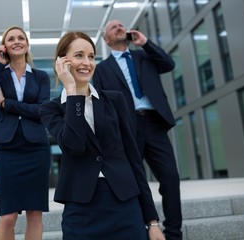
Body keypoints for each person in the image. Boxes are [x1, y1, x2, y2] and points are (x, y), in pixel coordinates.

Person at [39, 31, 165, 240]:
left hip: (125, 205)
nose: (87, 62)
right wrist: (72, 91)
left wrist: (152, 221)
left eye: (91, 56)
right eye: (79, 55)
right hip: (81, 210)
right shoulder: (50, 109)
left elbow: (134, 160)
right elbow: (74, 145)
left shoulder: (115, 100)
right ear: (62, 62)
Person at [93, 19, 183, 240]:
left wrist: (145, 43)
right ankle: (147, 227)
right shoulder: (102, 69)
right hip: (126, 127)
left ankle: (173, 233)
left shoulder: (144, 56)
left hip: (153, 123)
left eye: (121, 25)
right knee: (136, 179)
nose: (118, 27)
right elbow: (100, 102)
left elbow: (169, 64)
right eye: (112, 27)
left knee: (170, 177)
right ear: (106, 39)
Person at [0, 26, 51, 240]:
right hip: (7, 148)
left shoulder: (41, 77)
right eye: (11, 39)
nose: (17, 41)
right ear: (5, 47)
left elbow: (42, 110)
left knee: (34, 212)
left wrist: (8, 104)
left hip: (36, 149)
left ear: (27, 44)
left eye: (21, 38)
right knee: (9, 215)